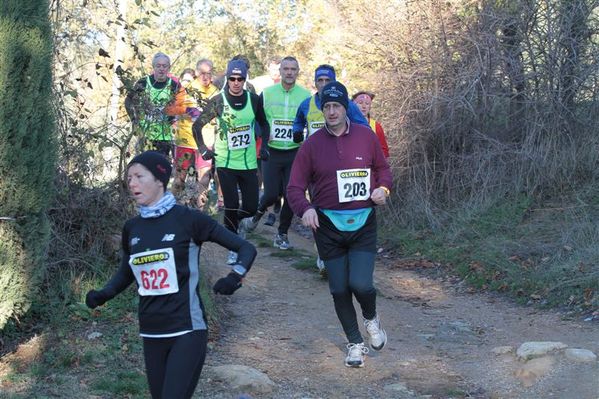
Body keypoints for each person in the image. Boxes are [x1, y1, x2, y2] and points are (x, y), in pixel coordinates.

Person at [85, 151, 257, 399]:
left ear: (159, 179)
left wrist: (234, 276)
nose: (131, 183)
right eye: (129, 177)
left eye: (139, 176)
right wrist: (103, 294)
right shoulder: (132, 228)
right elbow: (127, 271)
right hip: (151, 331)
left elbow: (246, 248)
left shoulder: (188, 220)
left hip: (187, 329)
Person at [287, 82, 392, 368]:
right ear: (322, 110)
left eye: (337, 106)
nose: (331, 112)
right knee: (338, 288)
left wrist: (383, 189)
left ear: (347, 108)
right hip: (328, 225)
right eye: (327, 107)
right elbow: (294, 187)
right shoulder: (311, 146)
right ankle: (355, 343)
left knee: (360, 283)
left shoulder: (366, 136)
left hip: (363, 222)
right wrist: (305, 208)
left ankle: (371, 319)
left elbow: (383, 170)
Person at [291, 64, 369, 271]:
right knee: (318, 206)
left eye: (328, 81)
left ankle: (346, 249)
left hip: (344, 164)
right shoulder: (307, 104)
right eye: (320, 81)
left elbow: (364, 127)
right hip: (317, 164)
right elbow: (298, 121)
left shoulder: (347, 105)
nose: (324, 85)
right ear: (315, 83)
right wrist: (297, 132)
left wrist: (356, 143)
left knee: (341, 207)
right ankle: (323, 252)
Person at [192, 59, 269, 265]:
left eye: (240, 78)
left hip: (248, 163)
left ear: (245, 79)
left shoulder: (254, 100)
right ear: (227, 78)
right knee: (232, 205)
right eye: (232, 78)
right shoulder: (218, 100)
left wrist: (266, 147)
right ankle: (233, 247)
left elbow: (264, 124)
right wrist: (203, 150)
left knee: (251, 207)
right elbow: (197, 126)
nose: (236, 82)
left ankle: (235, 227)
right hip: (225, 162)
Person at [239, 56, 311, 250]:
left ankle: (282, 234)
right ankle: (255, 218)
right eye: (285, 69)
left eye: (293, 69)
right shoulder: (267, 93)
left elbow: (309, 122)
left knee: (291, 194)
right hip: (271, 151)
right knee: (270, 193)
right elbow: (255, 120)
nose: (289, 72)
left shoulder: (305, 96)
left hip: (294, 153)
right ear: (280, 71)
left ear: (297, 72)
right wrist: (261, 135)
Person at [125, 52, 188, 158]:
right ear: (153, 67)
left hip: (165, 136)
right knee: (145, 168)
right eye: (158, 66)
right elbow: (128, 101)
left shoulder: (174, 85)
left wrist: (171, 115)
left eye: (164, 66)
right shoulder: (144, 82)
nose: (161, 69)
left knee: (160, 169)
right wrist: (134, 120)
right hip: (145, 134)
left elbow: (181, 108)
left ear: (169, 68)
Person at [172, 68, 203, 203]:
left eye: (190, 81)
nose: (187, 83)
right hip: (182, 142)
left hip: (198, 143)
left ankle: (194, 207)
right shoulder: (178, 96)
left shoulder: (198, 96)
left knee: (196, 178)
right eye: (184, 80)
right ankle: (173, 204)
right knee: (179, 177)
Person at [352, 91, 390, 158]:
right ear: (353, 105)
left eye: (367, 104)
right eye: (360, 103)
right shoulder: (346, 124)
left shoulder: (376, 126)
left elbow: (384, 151)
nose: (364, 106)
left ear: (370, 107)